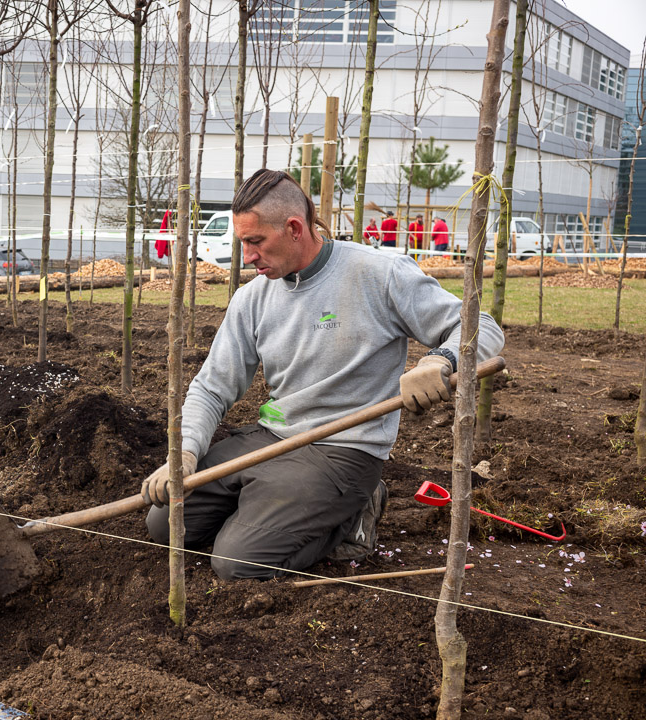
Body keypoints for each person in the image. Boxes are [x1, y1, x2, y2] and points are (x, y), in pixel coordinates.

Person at [141, 169, 504, 580]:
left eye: (255, 242)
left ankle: (354, 515)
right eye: (243, 243)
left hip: (343, 450)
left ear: (294, 228)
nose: (248, 257)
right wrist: (186, 452)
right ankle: (273, 506)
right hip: (273, 437)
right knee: (164, 525)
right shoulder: (253, 299)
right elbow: (211, 387)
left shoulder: (377, 273)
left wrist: (440, 360)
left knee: (237, 563)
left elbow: (481, 327)